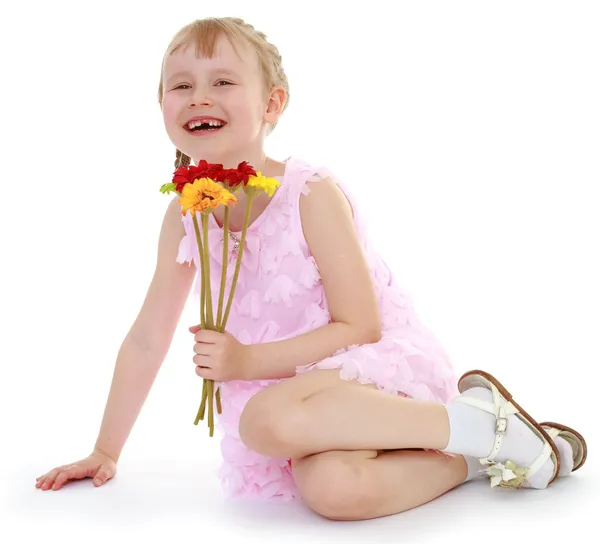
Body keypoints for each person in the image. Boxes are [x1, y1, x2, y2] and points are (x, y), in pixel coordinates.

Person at [35, 17, 587, 521]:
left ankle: (473, 422)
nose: (199, 96)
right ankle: (488, 449)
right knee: (332, 491)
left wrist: (247, 359)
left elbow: (360, 325)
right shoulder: (187, 217)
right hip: (297, 414)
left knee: (264, 422)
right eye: (181, 85)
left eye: (223, 82)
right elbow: (146, 339)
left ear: (272, 104)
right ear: (161, 106)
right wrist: (105, 450)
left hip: (370, 376)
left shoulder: (309, 192)